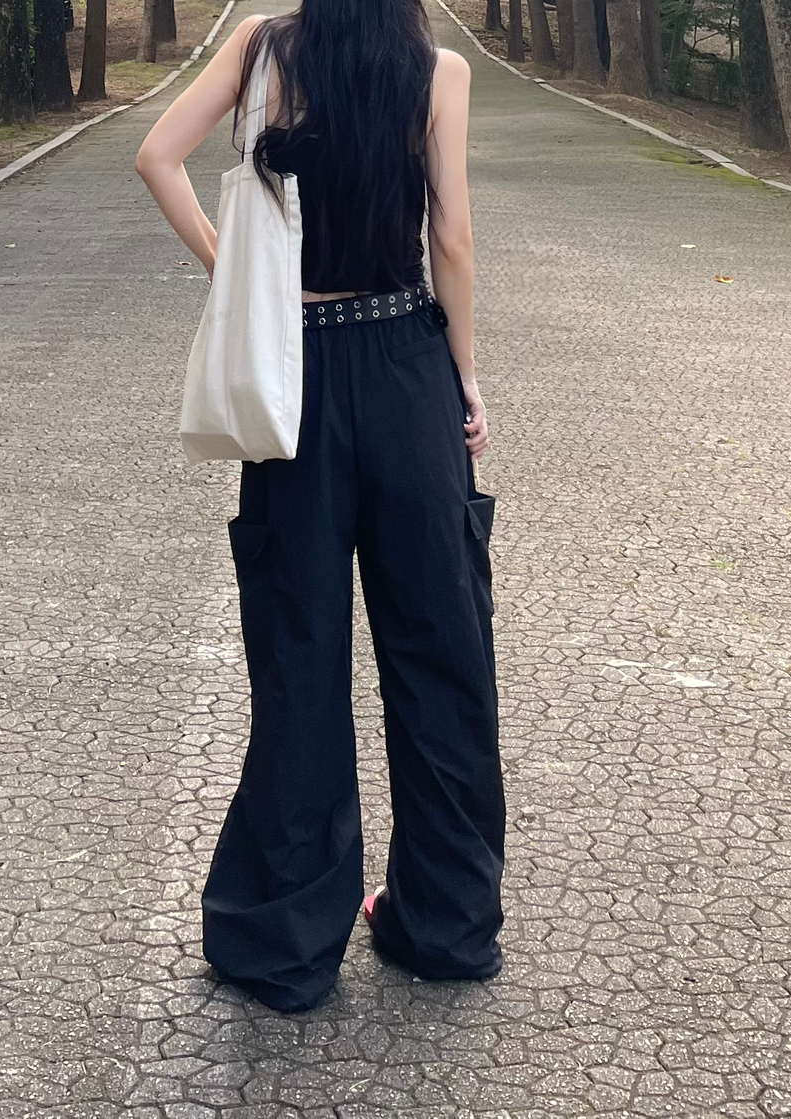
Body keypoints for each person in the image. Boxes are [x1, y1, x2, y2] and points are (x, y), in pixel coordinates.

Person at [136, 0, 504, 1014]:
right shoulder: (437, 71)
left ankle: (286, 942)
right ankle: (446, 924)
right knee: (440, 650)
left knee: (298, 654)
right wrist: (465, 375)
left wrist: (236, 276)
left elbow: (157, 157)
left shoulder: (261, 46)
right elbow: (452, 238)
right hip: (404, 370)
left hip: (291, 379)